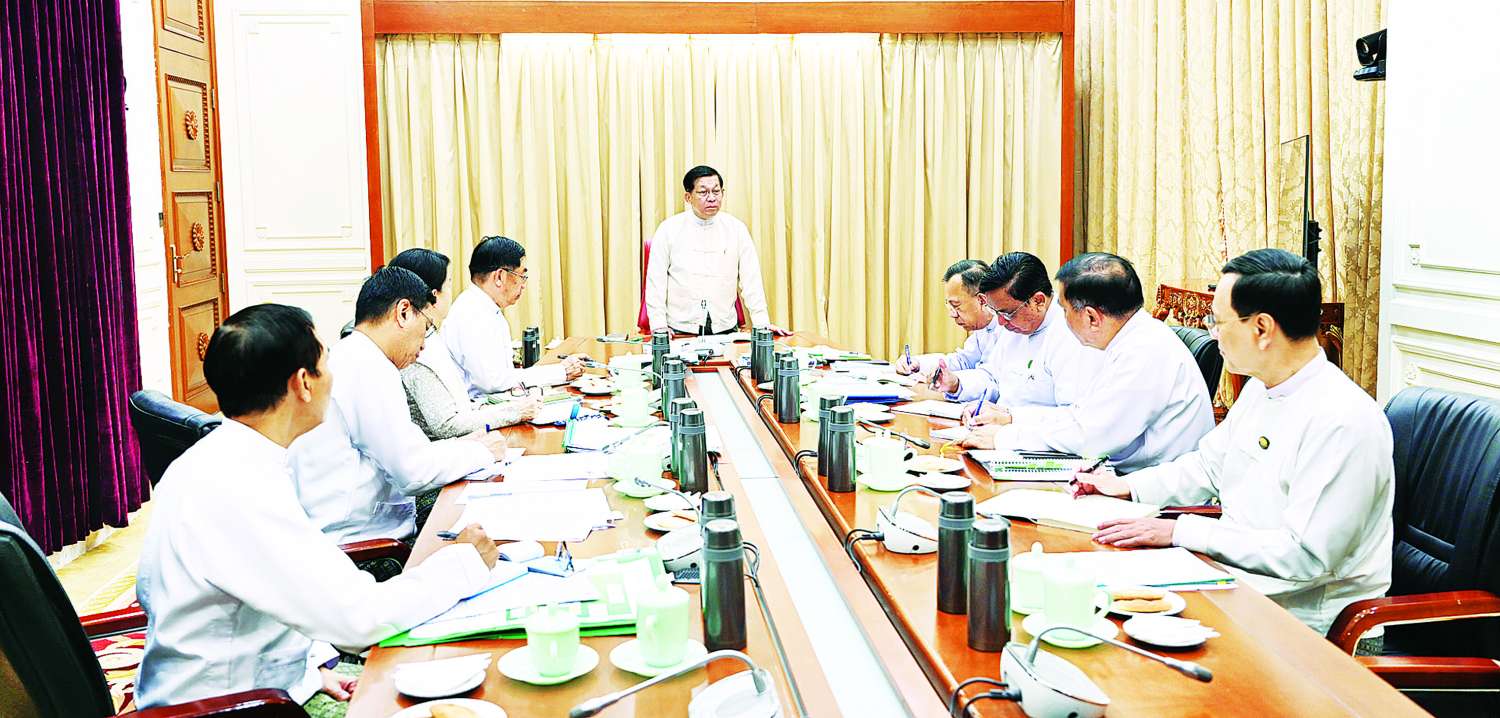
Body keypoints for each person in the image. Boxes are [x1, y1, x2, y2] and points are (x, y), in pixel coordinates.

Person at [136, 303, 500, 712]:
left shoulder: (224, 458)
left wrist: (308, 671)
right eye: (326, 362)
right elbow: (360, 620)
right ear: (303, 383)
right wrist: (463, 563)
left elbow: (268, 593)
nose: (334, 377)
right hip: (229, 707)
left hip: (260, 684)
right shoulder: (240, 485)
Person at [1073, 249, 1394, 637]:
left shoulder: (1344, 421)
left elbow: (1306, 557)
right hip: (1236, 588)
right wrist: (1127, 487)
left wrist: (1180, 531)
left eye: (1218, 321)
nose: (1213, 333)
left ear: (1262, 329)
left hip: (1309, 626)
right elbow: (1208, 466)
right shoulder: (1262, 388)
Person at [289, 267, 507, 544]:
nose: (424, 345)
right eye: (426, 328)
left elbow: (407, 449)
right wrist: (481, 452)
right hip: (365, 542)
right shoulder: (367, 367)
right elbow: (413, 472)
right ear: (403, 312)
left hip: (359, 522)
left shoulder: (355, 355)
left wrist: (462, 446)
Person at [962, 253, 1213, 472]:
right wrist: (1012, 419)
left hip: (1148, 490)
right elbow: (1081, 416)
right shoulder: (1128, 340)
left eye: (1064, 310)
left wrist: (1005, 438)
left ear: (1092, 317)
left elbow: (1092, 437)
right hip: (1124, 475)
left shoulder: (1143, 351)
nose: (1061, 318)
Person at [388, 248, 539, 439]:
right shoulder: (413, 349)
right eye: (449, 284)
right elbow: (446, 425)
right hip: (445, 446)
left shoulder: (429, 334)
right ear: (433, 295)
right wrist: (515, 412)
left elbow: (457, 403)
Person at [926, 252, 1098, 409]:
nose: (1001, 322)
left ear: (1038, 301)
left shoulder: (1072, 333)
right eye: (997, 313)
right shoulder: (1014, 327)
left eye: (1007, 314)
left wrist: (1010, 419)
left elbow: (1071, 413)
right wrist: (956, 384)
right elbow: (992, 377)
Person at [644, 165, 786, 336]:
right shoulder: (669, 229)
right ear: (688, 197)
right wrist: (658, 326)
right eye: (703, 192)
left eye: (716, 191)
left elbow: (751, 280)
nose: (711, 198)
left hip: (725, 329)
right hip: (679, 330)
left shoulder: (736, 229)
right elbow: (655, 283)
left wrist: (762, 323)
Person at [443, 235, 584, 395]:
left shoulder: (483, 307)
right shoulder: (472, 313)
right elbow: (493, 382)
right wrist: (560, 372)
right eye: (522, 276)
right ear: (499, 277)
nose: (523, 286)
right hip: (479, 405)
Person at [893, 260, 1001, 395]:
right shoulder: (983, 329)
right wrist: (918, 364)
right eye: (949, 306)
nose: (952, 314)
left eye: (956, 305)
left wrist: (957, 383)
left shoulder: (1010, 329)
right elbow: (963, 361)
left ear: (982, 300)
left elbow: (994, 380)